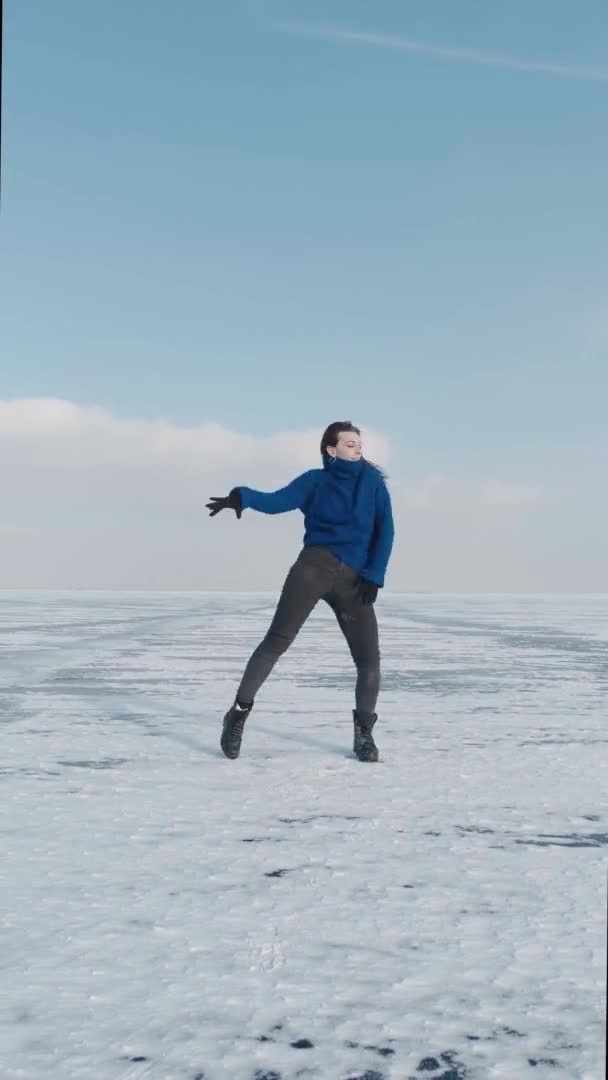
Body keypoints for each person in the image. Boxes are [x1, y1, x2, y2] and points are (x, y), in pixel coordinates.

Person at [206, 421, 394, 762]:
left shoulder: (373, 485)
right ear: (331, 450)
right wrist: (242, 497)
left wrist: (374, 575)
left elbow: (386, 531)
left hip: (355, 581)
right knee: (276, 642)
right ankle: (237, 715)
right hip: (313, 568)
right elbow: (278, 501)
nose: (358, 448)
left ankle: (364, 735)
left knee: (368, 660)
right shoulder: (315, 481)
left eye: (359, 443)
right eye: (349, 444)